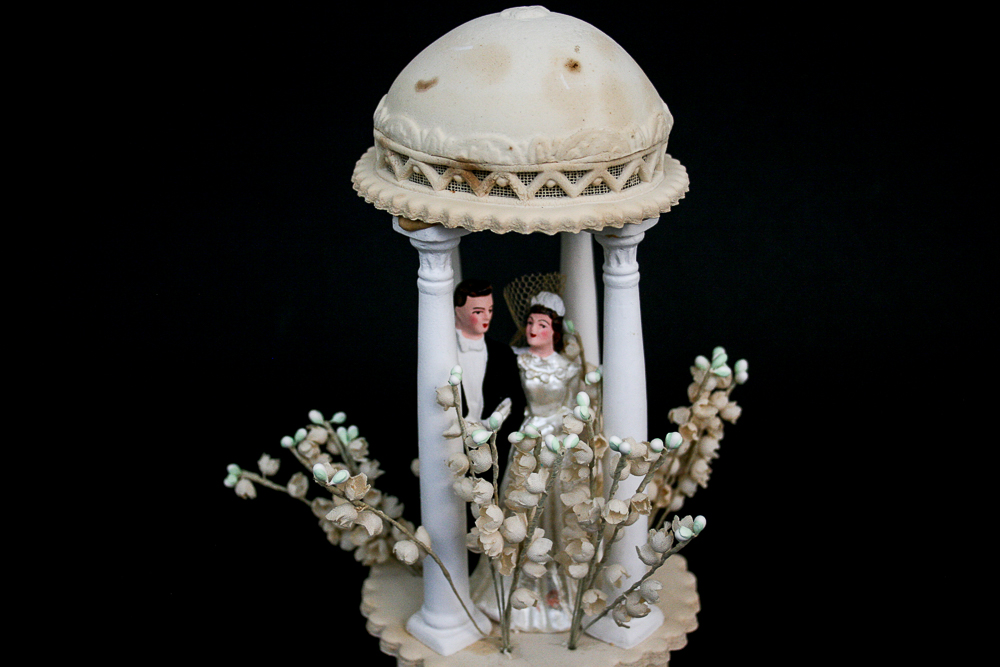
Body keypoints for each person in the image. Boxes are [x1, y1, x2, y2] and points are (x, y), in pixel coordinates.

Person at [472, 290, 583, 632]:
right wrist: (497, 416)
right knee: (519, 506)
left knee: (553, 511)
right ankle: (509, 584)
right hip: (527, 438)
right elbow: (507, 394)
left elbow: (574, 406)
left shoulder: (568, 368)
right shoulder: (518, 360)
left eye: (543, 324)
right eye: (531, 323)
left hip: (557, 444)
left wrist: (571, 434)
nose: (535, 329)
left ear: (556, 331)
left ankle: (557, 589)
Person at [453, 279, 524, 471]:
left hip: (492, 452)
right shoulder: (444, 353)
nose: (487, 317)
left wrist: (498, 438)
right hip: (450, 451)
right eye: (478, 312)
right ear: (458, 310)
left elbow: (518, 403)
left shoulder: (503, 354)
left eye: (490, 310)